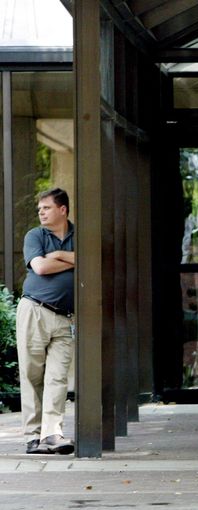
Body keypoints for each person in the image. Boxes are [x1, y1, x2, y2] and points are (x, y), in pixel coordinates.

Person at [16, 188, 75, 455]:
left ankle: (52, 433)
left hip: (65, 318)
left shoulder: (79, 236)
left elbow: (92, 260)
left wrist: (58, 256)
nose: (41, 212)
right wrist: (74, 261)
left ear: (62, 210)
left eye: (47, 207)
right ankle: (33, 436)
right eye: (39, 208)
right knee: (32, 375)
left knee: (57, 377)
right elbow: (39, 267)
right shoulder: (35, 235)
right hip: (34, 311)